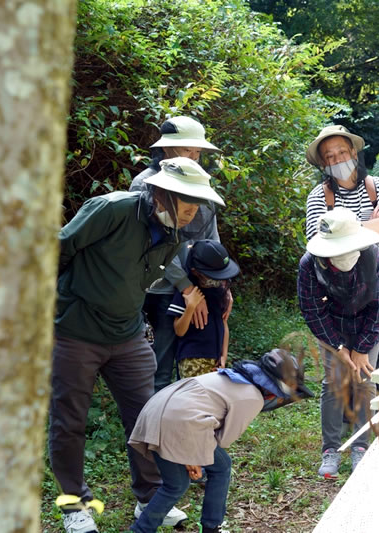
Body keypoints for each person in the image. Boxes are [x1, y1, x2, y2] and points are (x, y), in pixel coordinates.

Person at [49, 157, 225, 533]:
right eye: (186, 202)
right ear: (161, 194)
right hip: (76, 332)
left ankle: (148, 494)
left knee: (150, 414)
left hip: (127, 335)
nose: (192, 212)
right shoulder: (112, 209)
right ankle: (74, 506)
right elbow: (57, 251)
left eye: (197, 204)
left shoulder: (176, 234)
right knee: (69, 421)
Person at [128, 350, 313, 533]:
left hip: (153, 412)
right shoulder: (252, 397)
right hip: (180, 424)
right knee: (222, 467)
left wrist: (191, 455)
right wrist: (192, 455)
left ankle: (140, 530)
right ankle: (211, 526)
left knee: (175, 485)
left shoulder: (229, 377)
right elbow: (222, 439)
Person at [129, 116, 230, 392]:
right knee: (157, 368)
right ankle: (149, 430)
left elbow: (211, 238)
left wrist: (220, 284)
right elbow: (154, 244)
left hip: (199, 291)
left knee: (192, 363)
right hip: (160, 291)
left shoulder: (200, 184)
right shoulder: (145, 185)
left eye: (198, 151)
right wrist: (185, 288)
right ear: (166, 150)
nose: (195, 157)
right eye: (188, 150)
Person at [297, 208, 379, 479]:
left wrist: (362, 348)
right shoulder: (310, 263)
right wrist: (338, 347)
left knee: (364, 380)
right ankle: (331, 450)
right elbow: (312, 309)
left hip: (367, 323)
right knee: (334, 383)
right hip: (332, 324)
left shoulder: (375, 257)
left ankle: (360, 446)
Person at [305, 125, 379, 370]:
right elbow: (316, 241)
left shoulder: (377, 186)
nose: (338, 159)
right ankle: (349, 408)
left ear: (354, 154)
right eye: (330, 156)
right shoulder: (318, 196)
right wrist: (369, 224)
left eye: (342, 152)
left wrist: (342, 230)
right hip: (336, 294)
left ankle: (376, 408)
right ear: (323, 164)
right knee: (341, 367)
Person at [168, 240, 239, 378]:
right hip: (192, 360)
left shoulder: (220, 292)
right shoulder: (188, 292)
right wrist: (190, 307)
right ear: (196, 271)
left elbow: (224, 324)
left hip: (215, 360)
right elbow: (179, 330)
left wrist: (224, 355)